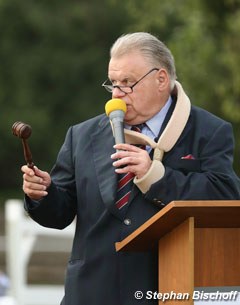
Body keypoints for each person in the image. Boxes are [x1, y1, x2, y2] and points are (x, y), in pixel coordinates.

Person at [21, 32, 240, 305]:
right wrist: (42, 193)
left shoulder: (209, 130)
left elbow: (225, 195)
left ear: (161, 79)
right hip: (91, 292)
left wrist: (155, 176)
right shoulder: (82, 135)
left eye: (127, 83)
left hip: (170, 290)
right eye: (112, 83)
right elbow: (60, 214)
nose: (117, 94)